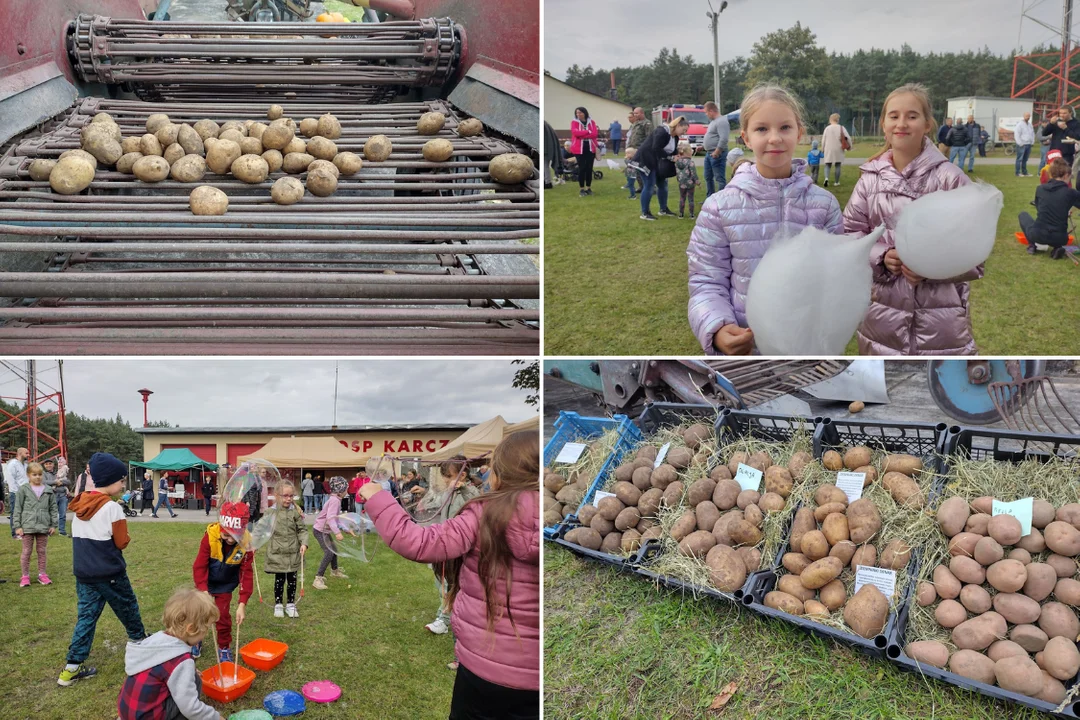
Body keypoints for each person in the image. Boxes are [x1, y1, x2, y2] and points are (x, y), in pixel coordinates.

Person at [358, 431, 539, 719]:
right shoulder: (554, 512)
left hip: (484, 667)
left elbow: (418, 542)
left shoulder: (486, 512)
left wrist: (379, 499)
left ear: (501, 473)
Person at [688, 84, 844, 356]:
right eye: (761, 129)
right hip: (749, 354)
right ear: (746, 137)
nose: (774, 138)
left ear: (800, 133)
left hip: (807, 349)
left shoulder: (825, 205)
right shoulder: (719, 208)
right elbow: (706, 282)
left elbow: (837, 277)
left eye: (785, 127)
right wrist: (717, 327)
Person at [844, 83, 979, 355]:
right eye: (894, 116)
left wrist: (929, 267)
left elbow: (975, 253)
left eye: (912, 116)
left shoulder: (951, 179)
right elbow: (850, 235)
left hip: (940, 318)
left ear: (928, 124)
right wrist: (881, 255)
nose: (901, 123)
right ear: (883, 123)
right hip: (881, 312)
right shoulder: (869, 179)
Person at [60, 452, 147, 686]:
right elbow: (121, 542)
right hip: (110, 574)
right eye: (121, 480)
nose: (123, 484)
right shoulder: (112, 508)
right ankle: (141, 644)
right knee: (128, 607)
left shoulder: (79, 506)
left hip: (84, 574)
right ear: (109, 480)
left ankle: (71, 668)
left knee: (86, 617)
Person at [117, 589, 224, 720]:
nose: (205, 634)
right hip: (148, 716)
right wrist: (215, 717)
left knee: (191, 676)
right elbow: (191, 708)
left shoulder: (157, 640)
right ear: (191, 629)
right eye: (206, 629)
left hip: (128, 712)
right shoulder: (182, 660)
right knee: (195, 681)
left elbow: (159, 666)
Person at [413, 456, 481, 637]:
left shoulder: (472, 492)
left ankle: (444, 619)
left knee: (454, 584)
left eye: (447, 476)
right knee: (442, 582)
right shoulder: (448, 492)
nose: (444, 479)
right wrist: (424, 497)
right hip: (445, 545)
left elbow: (478, 503)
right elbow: (438, 504)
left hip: (461, 546)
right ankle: (448, 616)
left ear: (463, 475)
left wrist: (464, 488)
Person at [192, 501, 253, 663]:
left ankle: (224, 647)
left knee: (223, 616)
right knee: (199, 613)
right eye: (226, 535)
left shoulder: (246, 544)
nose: (231, 540)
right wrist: (203, 590)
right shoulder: (210, 537)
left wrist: (242, 603)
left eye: (235, 536)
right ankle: (195, 640)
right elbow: (199, 566)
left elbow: (247, 573)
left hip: (225, 585)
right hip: (205, 583)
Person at [263, 480, 307, 619]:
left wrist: (304, 543)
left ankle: (290, 604)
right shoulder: (270, 512)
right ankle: (278, 605)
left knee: (292, 580)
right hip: (278, 553)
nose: (288, 499)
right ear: (277, 495)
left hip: (293, 552)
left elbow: (302, 530)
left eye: (291, 496)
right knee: (280, 580)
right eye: (285, 496)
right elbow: (262, 530)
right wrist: (254, 544)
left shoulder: (295, 513)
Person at [1020, 157, 1080, 259]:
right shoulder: (1070, 193)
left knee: (1023, 215)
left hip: (1038, 234)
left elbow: (1039, 208)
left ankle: (1032, 245)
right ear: (1066, 175)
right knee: (1057, 233)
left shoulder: (1040, 189)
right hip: (1060, 238)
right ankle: (1057, 248)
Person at [634, 116, 688, 221]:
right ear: (677, 126)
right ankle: (645, 213)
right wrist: (670, 157)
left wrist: (677, 155)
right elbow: (656, 148)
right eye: (684, 130)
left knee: (663, 185)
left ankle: (663, 209)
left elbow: (671, 151)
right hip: (645, 159)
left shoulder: (675, 137)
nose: (684, 132)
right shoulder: (662, 131)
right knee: (649, 184)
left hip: (657, 162)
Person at [13, 461, 58, 587]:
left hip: (43, 527)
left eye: (39, 474)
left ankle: (42, 574)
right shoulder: (23, 490)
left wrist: (53, 525)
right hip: (27, 527)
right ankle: (25, 576)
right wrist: (18, 526)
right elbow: (17, 509)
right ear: (28, 475)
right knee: (26, 551)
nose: (37, 477)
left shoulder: (48, 490)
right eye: (34, 474)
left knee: (42, 551)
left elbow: (53, 509)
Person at [311, 476, 350, 590]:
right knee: (329, 552)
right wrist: (337, 533)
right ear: (341, 490)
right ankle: (318, 578)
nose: (347, 491)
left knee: (334, 550)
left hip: (324, 530)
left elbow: (336, 519)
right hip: (319, 530)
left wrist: (345, 529)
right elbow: (330, 519)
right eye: (346, 489)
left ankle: (334, 571)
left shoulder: (335, 500)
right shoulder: (334, 501)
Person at [569, 107, 598, 197]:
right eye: (577, 113)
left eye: (580, 112)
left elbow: (594, 134)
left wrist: (583, 134)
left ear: (585, 113)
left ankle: (588, 188)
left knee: (589, 168)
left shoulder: (592, 122)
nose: (578, 114)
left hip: (590, 148)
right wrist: (587, 132)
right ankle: (582, 189)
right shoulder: (574, 122)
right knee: (582, 168)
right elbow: (575, 133)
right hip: (579, 149)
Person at [703, 101, 730, 196]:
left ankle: (721, 199)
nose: (706, 114)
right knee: (708, 177)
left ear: (711, 111)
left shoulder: (722, 121)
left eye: (706, 112)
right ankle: (709, 198)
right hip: (709, 153)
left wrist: (717, 151)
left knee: (719, 178)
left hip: (717, 154)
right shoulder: (713, 122)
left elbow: (724, 138)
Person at [1042, 106, 1080, 170]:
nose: (1062, 115)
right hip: (1054, 152)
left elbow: (1077, 137)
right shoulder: (1056, 122)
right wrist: (1051, 124)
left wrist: (1065, 128)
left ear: (1070, 113)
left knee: (1065, 174)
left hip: (1067, 154)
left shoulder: (1076, 123)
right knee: (1052, 174)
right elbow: (1044, 133)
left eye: (1064, 113)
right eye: (1060, 113)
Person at [820, 113, 851, 188]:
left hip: (828, 148)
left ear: (830, 119)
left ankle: (826, 178)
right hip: (838, 148)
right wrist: (850, 146)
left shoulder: (827, 128)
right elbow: (848, 138)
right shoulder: (841, 128)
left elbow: (823, 139)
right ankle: (836, 182)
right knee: (838, 165)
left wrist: (822, 148)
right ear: (837, 120)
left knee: (827, 165)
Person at [675, 142, 701, 219]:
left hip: (681, 183)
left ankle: (681, 214)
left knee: (682, 198)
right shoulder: (690, 162)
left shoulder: (677, 162)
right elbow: (693, 174)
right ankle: (691, 214)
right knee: (690, 199)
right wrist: (697, 182)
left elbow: (677, 172)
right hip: (690, 183)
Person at [6, 446, 28, 538]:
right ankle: (15, 533)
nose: (28, 455)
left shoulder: (26, 465)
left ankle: (22, 532)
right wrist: (16, 492)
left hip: (25, 492)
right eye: (26, 453)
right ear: (19, 454)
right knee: (15, 513)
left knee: (23, 513)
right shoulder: (13, 464)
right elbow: (11, 479)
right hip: (15, 493)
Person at [1015, 111, 1036, 177]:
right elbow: (1017, 135)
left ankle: (1024, 172)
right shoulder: (1020, 125)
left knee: (1025, 159)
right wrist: (1020, 143)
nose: (1028, 117)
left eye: (1029, 116)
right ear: (1024, 116)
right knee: (1019, 159)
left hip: (1028, 144)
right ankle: (1017, 172)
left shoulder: (1030, 125)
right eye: (1027, 116)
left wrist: (1032, 141)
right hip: (1022, 144)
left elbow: (1032, 134)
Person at [54, 457, 71, 535]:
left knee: (62, 514)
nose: (59, 464)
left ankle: (62, 531)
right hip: (55, 495)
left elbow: (68, 481)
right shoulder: (55, 472)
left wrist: (59, 481)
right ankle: (51, 530)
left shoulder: (64, 468)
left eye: (61, 463)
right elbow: (48, 482)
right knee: (52, 513)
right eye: (59, 463)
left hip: (63, 495)